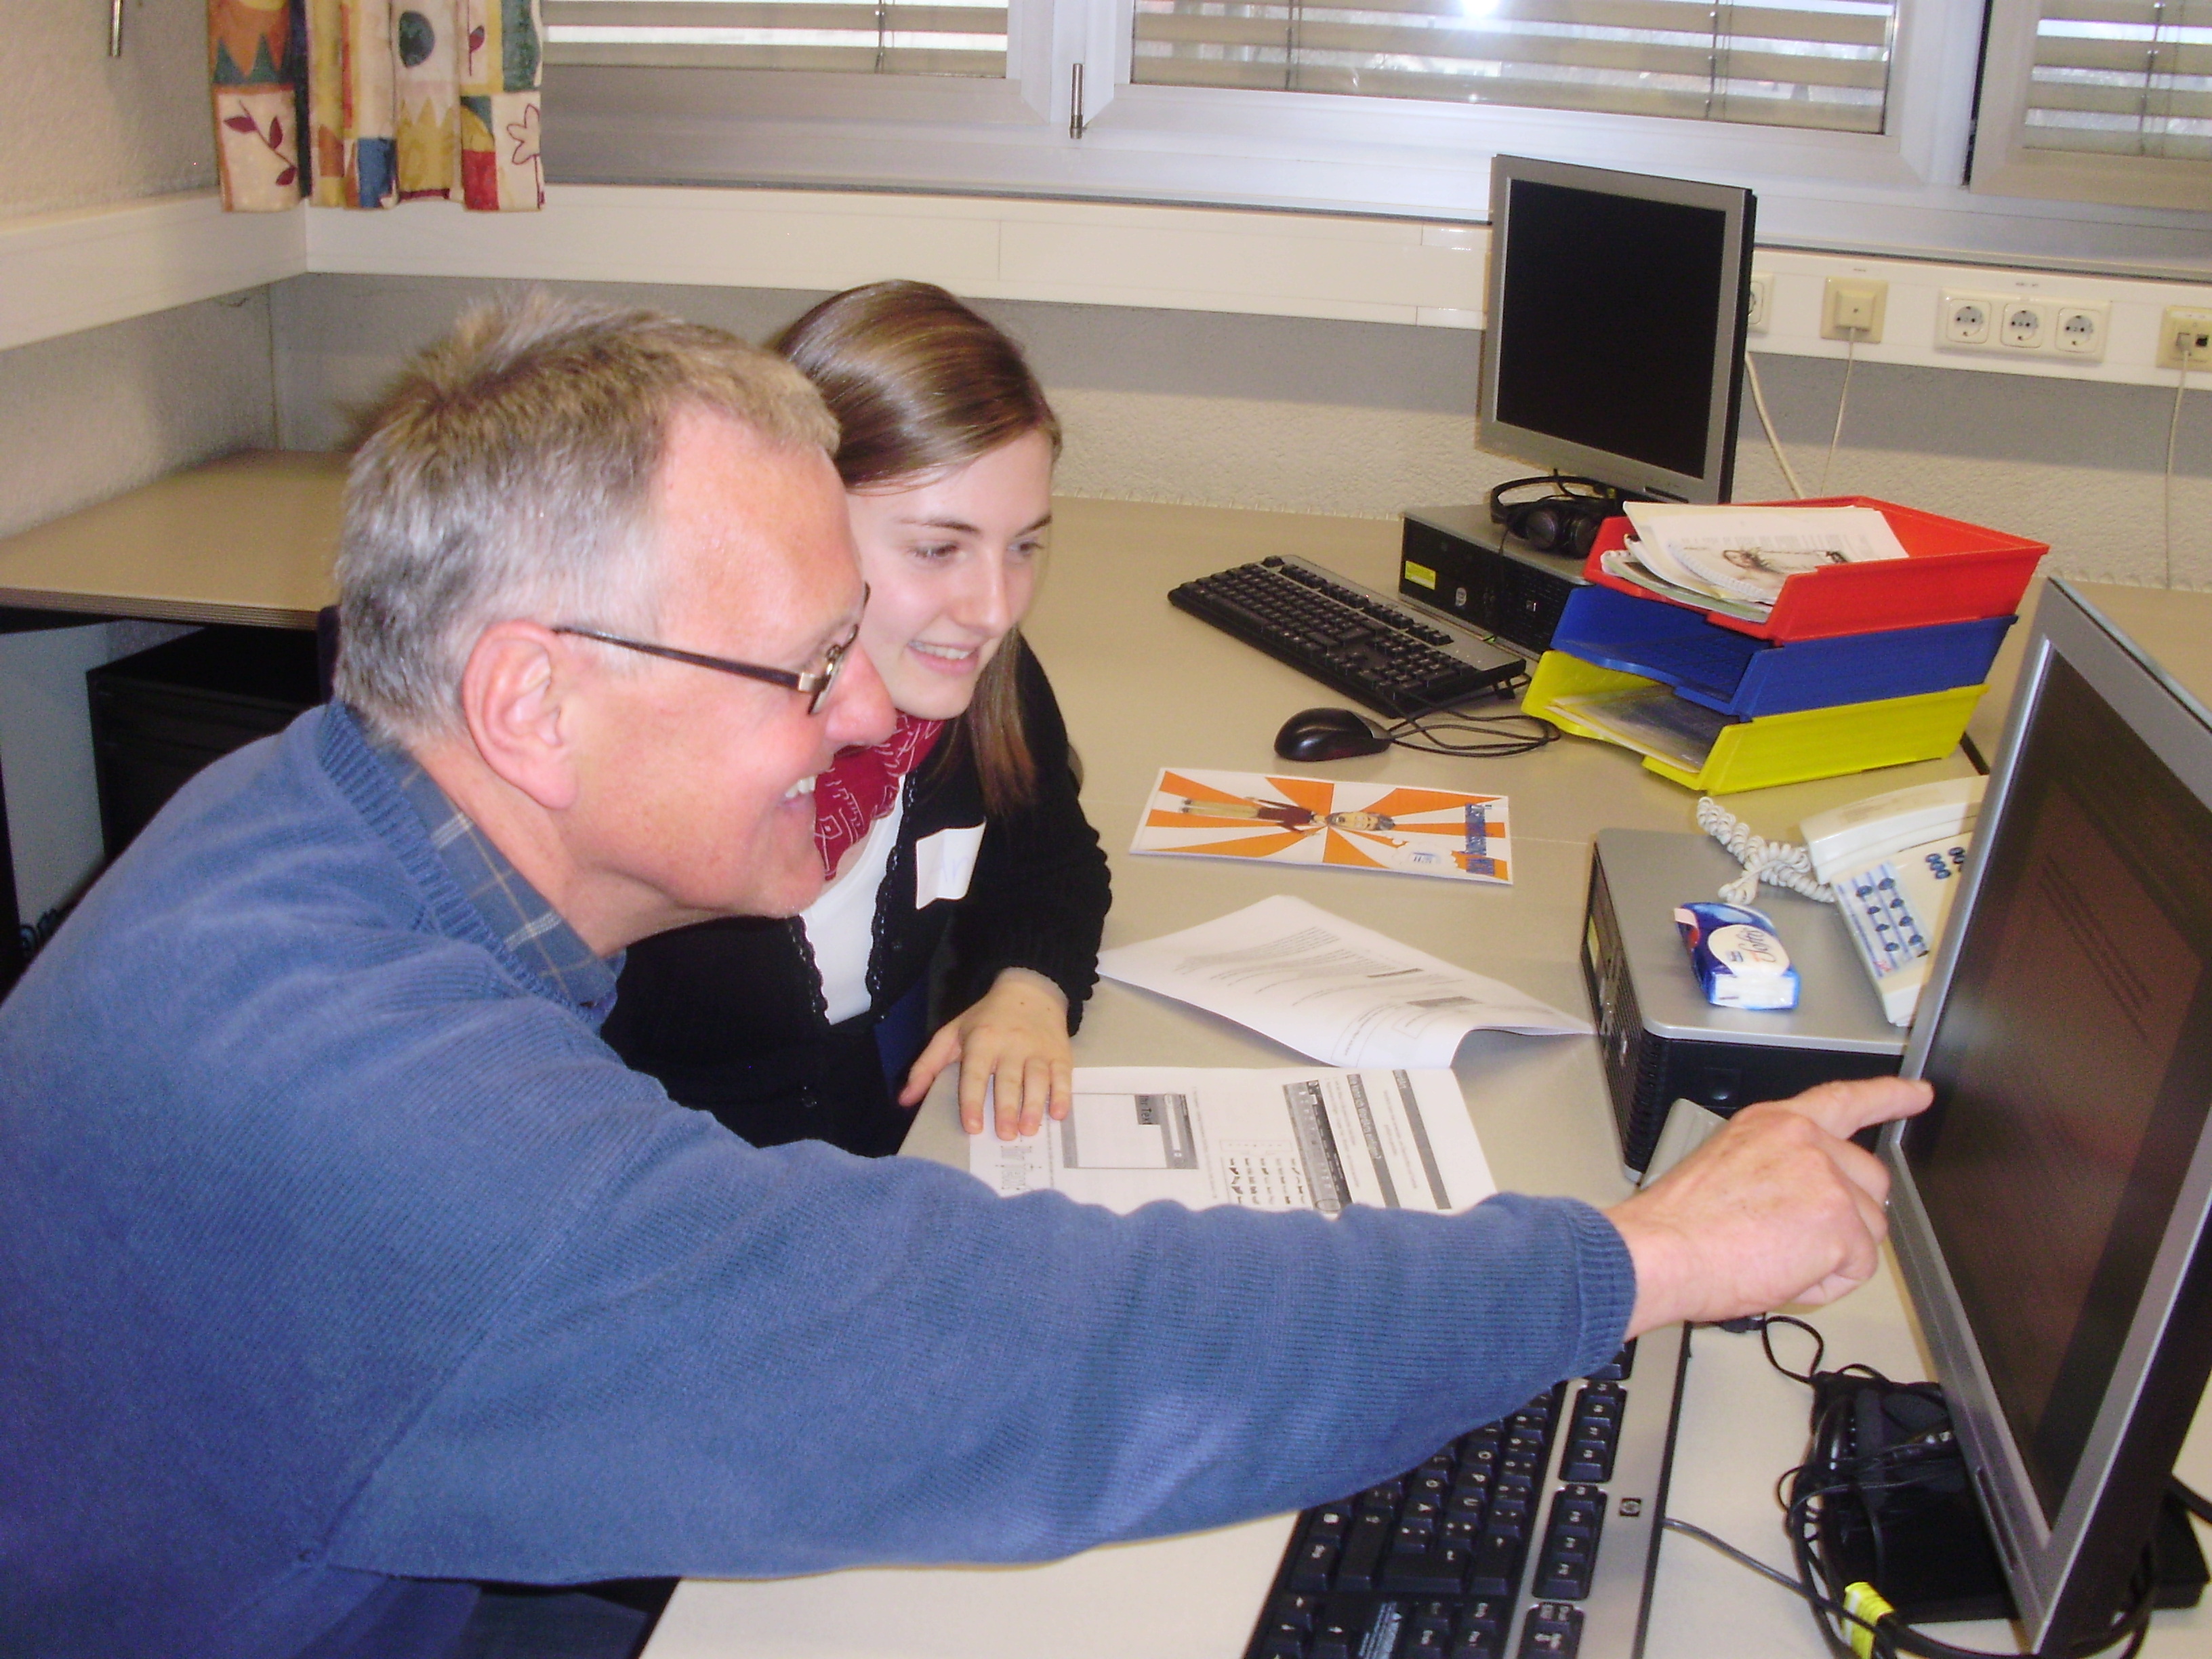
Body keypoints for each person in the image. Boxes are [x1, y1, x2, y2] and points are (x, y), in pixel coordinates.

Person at [0, 294, 1928, 1659]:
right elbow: (1029, 1358)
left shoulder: (306, 807)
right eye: (801, 667)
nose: (860, 717)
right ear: (531, 698)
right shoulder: (400, 1141)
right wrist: (1636, 1260)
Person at [604, 281, 1108, 1153]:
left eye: (1024, 545)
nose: (994, 609)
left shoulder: (974, 680)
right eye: (938, 548)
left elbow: (1048, 861)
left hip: (867, 1146)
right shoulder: (668, 750)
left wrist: (1029, 988)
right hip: (665, 1169)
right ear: (797, 522)